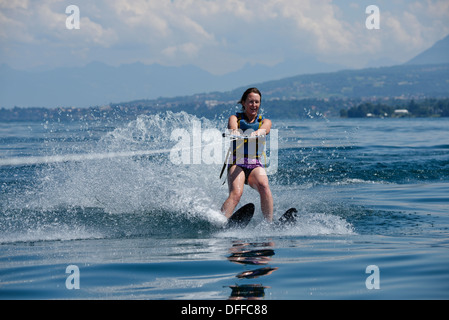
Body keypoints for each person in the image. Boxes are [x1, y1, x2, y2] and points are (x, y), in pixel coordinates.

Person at [221, 88, 273, 222]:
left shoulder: (264, 121)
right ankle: (221, 221)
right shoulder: (235, 118)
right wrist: (236, 132)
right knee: (237, 193)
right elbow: (232, 127)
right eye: (250, 102)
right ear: (243, 103)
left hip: (254, 164)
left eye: (257, 102)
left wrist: (256, 133)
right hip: (237, 163)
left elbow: (265, 129)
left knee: (264, 186)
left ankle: (269, 223)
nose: (254, 105)